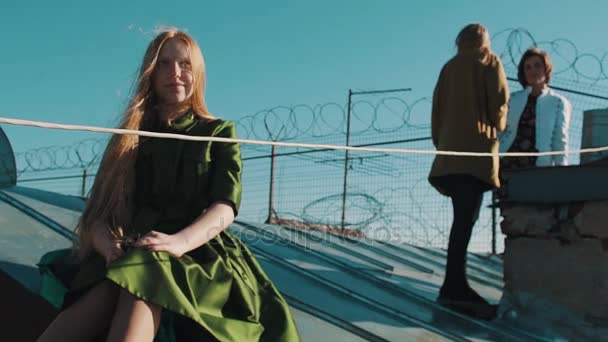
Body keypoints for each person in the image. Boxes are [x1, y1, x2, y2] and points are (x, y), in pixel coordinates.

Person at [37, 29, 300, 342]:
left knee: (146, 268)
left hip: (195, 253)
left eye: (185, 64)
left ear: (197, 72)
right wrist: (106, 243)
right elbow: (97, 212)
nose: (175, 73)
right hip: (128, 249)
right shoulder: (129, 136)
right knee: (122, 275)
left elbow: (225, 206)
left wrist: (179, 242)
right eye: (164, 64)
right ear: (150, 72)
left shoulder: (218, 130)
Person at [428, 23, 509, 320]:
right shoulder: (489, 61)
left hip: (449, 152)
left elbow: (436, 111)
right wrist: (497, 128)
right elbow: (498, 105)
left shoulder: (449, 67)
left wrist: (443, 143)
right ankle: (454, 286)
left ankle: (454, 283)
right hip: (475, 151)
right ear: (484, 40)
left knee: (460, 219)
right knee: (467, 218)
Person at [497, 47, 571, 198]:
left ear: (546, 69)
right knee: (510, 214)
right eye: (528, 67)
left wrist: (562, 172)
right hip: (508, 165)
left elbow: (560, 139)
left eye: (537, 65)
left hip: (537, 166)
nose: (533, 71)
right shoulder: (512, 99)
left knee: (536, 211)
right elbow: (501, 131)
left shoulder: (558, 102)